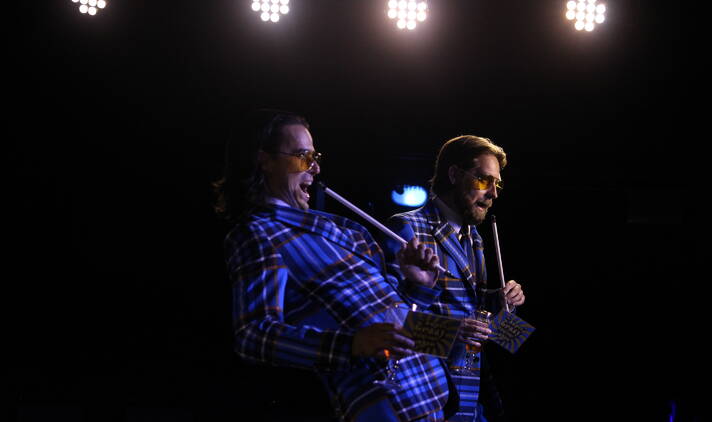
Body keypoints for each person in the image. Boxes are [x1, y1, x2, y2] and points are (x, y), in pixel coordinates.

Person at [213, 110, 457, 421]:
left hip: (438, 394)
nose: (315, 167)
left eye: (315, 156)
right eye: (303, 156)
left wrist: (418, 288)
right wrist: (352, 344)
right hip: (389, 405)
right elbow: (253, 337)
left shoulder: (340, 230)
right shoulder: (258, 234)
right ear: (265, 160)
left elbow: (392, 318)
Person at [383, 135, 526, 422]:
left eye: (496, 184)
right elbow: (385, 324)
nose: (493, 194)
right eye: (484, 180)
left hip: (474, 399)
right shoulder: (407, 228)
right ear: (454, 174)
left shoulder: (474, 238)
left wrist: (508, 309)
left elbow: (492, 337)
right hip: (428, 397)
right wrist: (451, 332)